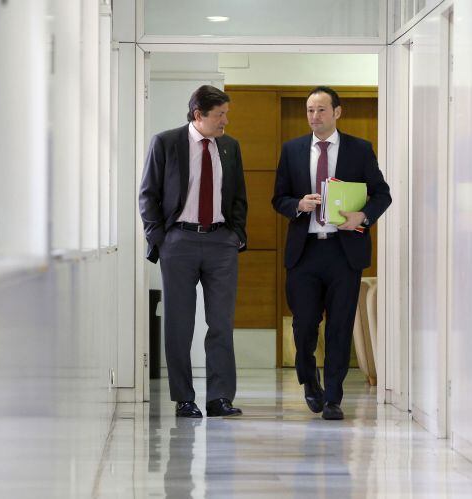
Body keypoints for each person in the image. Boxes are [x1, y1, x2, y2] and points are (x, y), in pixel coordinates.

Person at [272, 86, 391, 420]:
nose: (315, 116)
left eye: (321, 109)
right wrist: (298, 204)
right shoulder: (293, 150)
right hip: (305, 252)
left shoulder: (359, 149)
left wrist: (363, 216)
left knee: (340, 325)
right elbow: (278, 197)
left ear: (337, 112)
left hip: (344, 252)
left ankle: (334, 397)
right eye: (310, 110)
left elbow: (382, 195)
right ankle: (310, 381)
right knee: (305, 324)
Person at [139, 85, 248, 418]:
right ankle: (184, 398)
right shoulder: (166, 142)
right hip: (179, 243)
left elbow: (239, 196)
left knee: (220, 323)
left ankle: (219, 398)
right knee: (179, 324)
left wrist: (236, 235)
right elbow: (148, 195)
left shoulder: (229, 146)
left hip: (221, 244)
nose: (225, 121)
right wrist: (161, 239)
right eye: (220, 115)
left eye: (226, 114)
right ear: (198, 115)